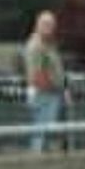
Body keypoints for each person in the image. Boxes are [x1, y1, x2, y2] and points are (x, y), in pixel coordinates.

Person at [23, 10, 68, 153]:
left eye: (52, 24)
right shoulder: (35, 45)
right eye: (46, 24)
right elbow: (37, 75)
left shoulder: (48, 44)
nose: (50, 27)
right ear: (38, 25)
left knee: (46, 131)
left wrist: (62, 89)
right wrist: (55, 89)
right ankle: (37, 159)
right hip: (44, 94)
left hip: (52, 93)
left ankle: (42, 157)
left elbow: (55, 69)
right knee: (41, 130)